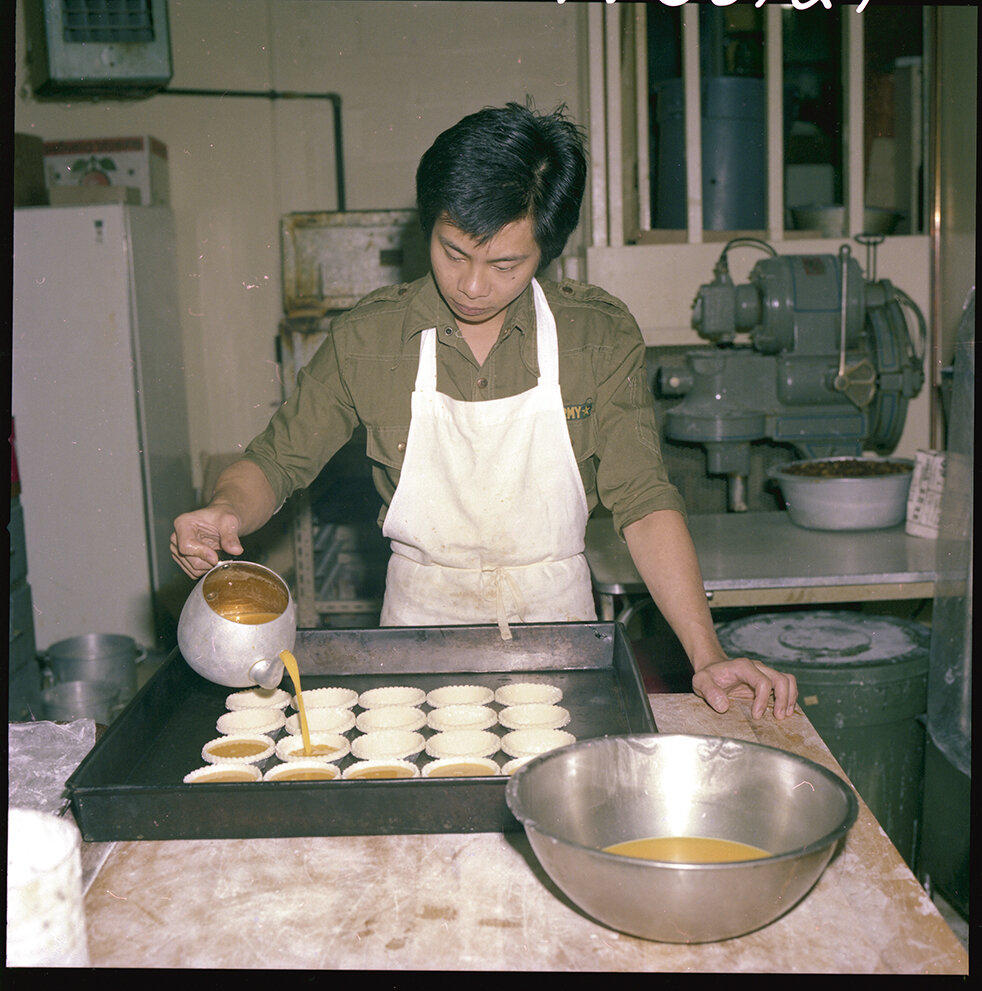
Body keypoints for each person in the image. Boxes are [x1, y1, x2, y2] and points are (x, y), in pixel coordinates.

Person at [171, 101, 797, 720]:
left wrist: (706, 653)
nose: (472, 286)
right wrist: (226, 507)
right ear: (429, 228)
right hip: (416, 639)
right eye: (452, 252)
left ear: (546, 253)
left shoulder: (594, 334)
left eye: (504, 264)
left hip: (558, 633)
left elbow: (645, 501)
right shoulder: (370, 339)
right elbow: (277, 461)